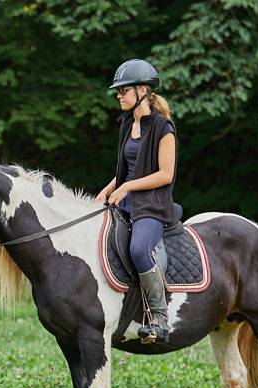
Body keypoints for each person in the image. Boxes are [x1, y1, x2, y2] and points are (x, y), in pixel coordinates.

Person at [96, 59, 179, 344]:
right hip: (125, 202)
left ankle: (159, 317)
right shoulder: (125, 124)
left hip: (152, 207)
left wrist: (128, 186)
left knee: (140, 249)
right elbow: (124, 172)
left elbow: (165, 174)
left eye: (124, 91)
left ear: (143, 90)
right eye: (118, 92)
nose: (119, 96)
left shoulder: (163, 128)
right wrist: (107, 191)